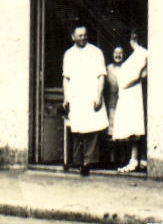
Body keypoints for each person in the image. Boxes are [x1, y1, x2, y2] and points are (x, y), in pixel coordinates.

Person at [61, 23, 108, 177]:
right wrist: (66, 97)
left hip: (90, 96)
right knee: (78, 131)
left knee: (91, 131)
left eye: (84, 35)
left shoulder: (96, 52)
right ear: (73, 37)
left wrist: (99, 96)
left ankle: (88, 162)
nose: (83, 38)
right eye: (79, 35)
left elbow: (101, 76)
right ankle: (77, 161)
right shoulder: (69, 54)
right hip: (76, 97)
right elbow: (66, 78)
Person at [113, 30, 148, 172]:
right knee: (133, 128)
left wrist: (134, 78)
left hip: (134, 94)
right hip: (131, 94)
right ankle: (138, 158)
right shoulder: (136, 56)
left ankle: (136, 159)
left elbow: (134, 77)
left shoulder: (141, 54)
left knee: (135, 128)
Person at [104, 45, 125, 168]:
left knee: (122, 133)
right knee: (111, 133)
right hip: (111, 103)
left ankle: (122, 159)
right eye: (115, 53)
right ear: (112, 55)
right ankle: (111, 160)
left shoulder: (127, 68)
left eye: (120, 53)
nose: (118, 55)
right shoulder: (108, 69)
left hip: (123, 104)